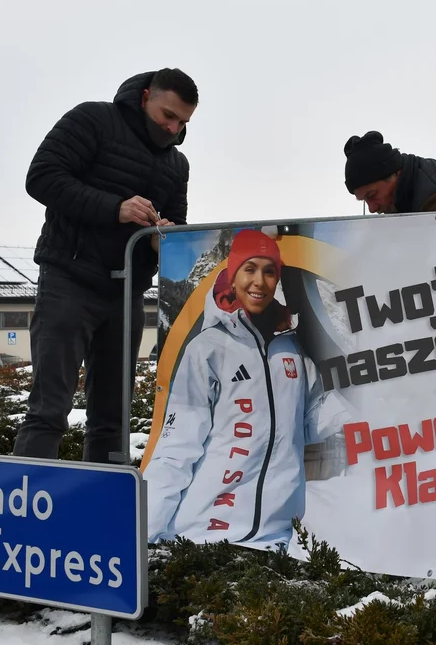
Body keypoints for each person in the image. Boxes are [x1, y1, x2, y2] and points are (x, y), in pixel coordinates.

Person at [14, 68, 198, 464]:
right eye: (168, 115)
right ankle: (23, 515)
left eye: (183, 122)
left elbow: (178, 224)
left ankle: (102, 513)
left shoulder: (177, 164)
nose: (173, 128)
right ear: (146, 96)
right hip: (68, 281)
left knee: (114, 419)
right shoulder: (93, 119)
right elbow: (41, 177)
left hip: (127, 293)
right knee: (49, 410)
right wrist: (115, 208)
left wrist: (162, 238)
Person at [143, 228, 351, 548]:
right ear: (233, 273)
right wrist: (144, 536)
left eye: (270, 272)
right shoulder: (208, 349)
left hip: (277, 537)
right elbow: (176, 450)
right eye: (249, 269)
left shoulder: (292, 347)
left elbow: (305, 421)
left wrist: (361, 402)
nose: (259, 281)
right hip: (203, 536)